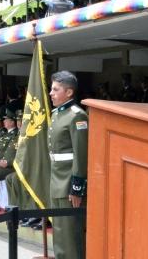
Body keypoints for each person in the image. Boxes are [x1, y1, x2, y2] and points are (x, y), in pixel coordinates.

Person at [48, 71, 88, 259]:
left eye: (56, 89)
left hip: (68, 183)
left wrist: (77, 188)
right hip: (56, 180)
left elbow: (81, 154)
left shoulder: (77, 116)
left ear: (69, 92)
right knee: (59, 232)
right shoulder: (57, 114)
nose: (51, 93)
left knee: (70, 235)